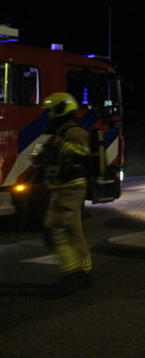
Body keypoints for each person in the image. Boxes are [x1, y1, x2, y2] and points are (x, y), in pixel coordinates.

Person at [34, 93, 93, 295]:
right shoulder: (60, 131)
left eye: (51, 111)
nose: (49, 116)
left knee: (54, 229)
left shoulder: (73, 131)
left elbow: (83, 154)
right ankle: (84, 271)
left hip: (70, 187)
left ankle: (70, 274)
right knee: (74, 230)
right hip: (63, 186)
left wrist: (62, 145)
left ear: (61, 110)